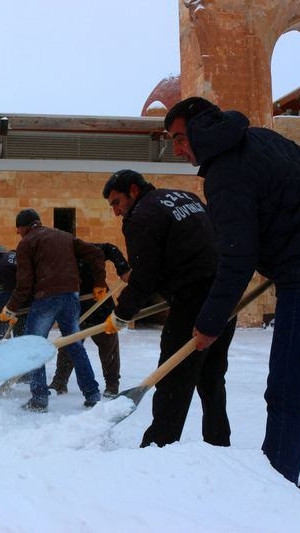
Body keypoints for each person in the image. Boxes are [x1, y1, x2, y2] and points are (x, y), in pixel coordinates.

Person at [164, 97, 300, 504]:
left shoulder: (224, 174)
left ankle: (276, 503)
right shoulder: (260, 138)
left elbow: (237, 256)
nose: (177, 149)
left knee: (288, 391)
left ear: (200, 129)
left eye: (179, 138)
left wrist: (208, 323)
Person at [102, 169, 236, 448]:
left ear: (134, 191)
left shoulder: (141, 217)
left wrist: (122, 314)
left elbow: (144, 276)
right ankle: (218, 444)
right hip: (224, 295)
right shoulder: (186, 197)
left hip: (193, 301)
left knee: (173, 379)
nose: (116, 212)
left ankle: (157, 448)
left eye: (116, 202)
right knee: (212, 376)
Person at [0, 208, 107, 412]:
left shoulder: (26, 243)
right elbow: (96, 253)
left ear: (24, 227)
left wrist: (11, 307)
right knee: (74, 345)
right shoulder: (64, 236)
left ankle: (39, 399)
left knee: (34, 347)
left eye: (18, 229)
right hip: (71, 297)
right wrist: (99, 282)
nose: (18, 233)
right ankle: (92, 394)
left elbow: (24, 283)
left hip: (46, 298)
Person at [49, 242, 131, 398]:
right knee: (67, 346)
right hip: (76, 311)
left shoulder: (85, 251)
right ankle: (59, 382)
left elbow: (109, 248)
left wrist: (123, 269)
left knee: (108, 348)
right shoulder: (55, 261)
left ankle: (112, 385)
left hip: (100, 306)